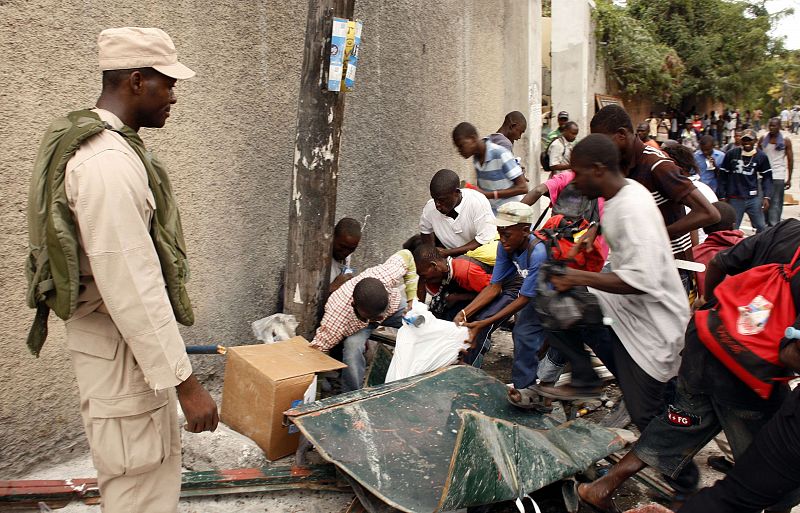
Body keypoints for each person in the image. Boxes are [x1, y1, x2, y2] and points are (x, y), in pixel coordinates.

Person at [25, 27, 218, 512]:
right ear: (136, 80)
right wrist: (188, 386)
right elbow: (133, 283)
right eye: (167, 83)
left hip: (116, 348)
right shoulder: (108, 163)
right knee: (140, 491)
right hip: (123, 353)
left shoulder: (98, 141)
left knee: (138, 480)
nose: (173, 95)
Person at [576, 219, 800, 513]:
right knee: (776, 466)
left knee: (679, 421)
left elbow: (719, 262)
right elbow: (791, 354)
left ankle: (600, 487)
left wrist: (713, 305)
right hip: (749, 371)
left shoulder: (788, 230)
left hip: (706, 343)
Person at [534, 135, 689, 436]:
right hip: (624, 314)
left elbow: (642, 281)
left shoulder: (632, 209)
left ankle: (683, 474)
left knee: (646, 414)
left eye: (579, 173)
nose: (575, 182)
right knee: (554, 304)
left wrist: (579, 277)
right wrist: (595, 230)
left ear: (599, 170)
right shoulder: (623, 193)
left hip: (653, 328)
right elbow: (614, 218)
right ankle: (585, 377)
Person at [585, 105, 719, 294]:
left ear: (622, 135)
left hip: (669, 270)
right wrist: (597, 228)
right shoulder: (620, 166)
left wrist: (658, 235)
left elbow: (709, 213)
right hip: (635, 267)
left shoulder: (658, 166)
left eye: (603, 142)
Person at [456, 202, 548, 400]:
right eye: (500, 233)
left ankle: (546, 389)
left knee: (554, 342)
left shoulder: (538, 253)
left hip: (554, 300)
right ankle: (525, 393)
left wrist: (483, 323)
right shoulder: (505, 247)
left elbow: (523, 298)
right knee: (523, 335)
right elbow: (494, 286)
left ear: (525, 230)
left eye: (507, 234)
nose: (502, 239)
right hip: (535, 297)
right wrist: (466, 313)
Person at [310, 250, 418, 392]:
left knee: (421, 322)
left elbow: (407, 256)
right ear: (354, 305)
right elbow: (318, 349)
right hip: (357, 326)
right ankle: (352, 395)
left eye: (380, 316)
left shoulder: (385, 275)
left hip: (393, 308)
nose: (379, 320)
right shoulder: (337, 316)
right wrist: (316, 384)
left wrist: (412, 300)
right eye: (374, 317)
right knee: (352, 350)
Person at [413, 244, 517, 366]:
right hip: (487, 289)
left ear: (434, 266)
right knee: (450, 316)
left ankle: (470, 367)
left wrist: (463, 308)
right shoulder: (446, 273)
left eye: (424, 275)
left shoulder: (464, 271)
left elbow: (493, 291)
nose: (423, 279)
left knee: (480, 325)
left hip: (507, 288)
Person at [419, 169, 497, 260]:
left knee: (464, 264)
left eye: (442, 200)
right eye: (434, 199)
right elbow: (425, 231)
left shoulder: (477, 202)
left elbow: (484, 239)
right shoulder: (430, 208)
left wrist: (449, 252)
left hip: (481, 254)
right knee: (416, 246)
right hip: (451, 256)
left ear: (456, 192)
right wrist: (432, 253)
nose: (437, 205)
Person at [453, 122, 527, 212]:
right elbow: (484, 192)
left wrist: (490, 194)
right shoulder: (476, 160)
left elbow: (523, 187)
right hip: (494, 214)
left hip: (512, 214)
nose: (459, 151)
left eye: (461, 146)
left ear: (472, 139)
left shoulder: (500, 153)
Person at [718, 128, 772, 233]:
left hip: (753, 198)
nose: (747, 142)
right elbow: (722, 176)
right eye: (745, 140)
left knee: (761, 226)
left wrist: (766, 196)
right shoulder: (731, 154)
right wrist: (722, 196)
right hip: (735, 197)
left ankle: (759, 247)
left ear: (755, 141)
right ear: (741, 141)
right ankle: (733, 248)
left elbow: (767, 177)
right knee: (733, 228)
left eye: (750, 140)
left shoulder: (761, 156)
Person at [691, 201, 743, 298]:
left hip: (709, 308)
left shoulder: (695, 254)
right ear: (733, 226)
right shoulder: (750, 247)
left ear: (703, 228)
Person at [760, 117, 794, 227]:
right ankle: (763, 227)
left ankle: (774, 227)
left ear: (779, 127)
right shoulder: (763, 138)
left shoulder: (785, 140)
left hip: (778, 175)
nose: (771, 128)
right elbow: (757, 155)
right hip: (764, 175)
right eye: (770, 125)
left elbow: (790, 160)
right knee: (763, 202)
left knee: (776, 203)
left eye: (774, 126)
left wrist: (789, 178)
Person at [330, 218, 362, 293]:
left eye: (352, 249)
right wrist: (332, 287)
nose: (346, 252)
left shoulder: (345, 255)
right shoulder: (320, 261)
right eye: (342, 246)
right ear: (332, 236)